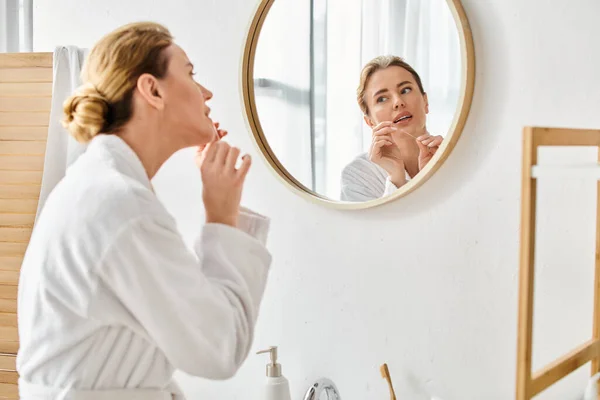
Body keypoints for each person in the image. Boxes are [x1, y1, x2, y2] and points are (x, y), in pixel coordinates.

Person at [16, 21, 272, 400]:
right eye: (190, 73)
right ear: (152, 89)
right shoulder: (121, 206)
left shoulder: (103, 189)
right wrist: (221, 215)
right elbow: (218, 349)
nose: (206, 92)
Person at [340, 55, 444, 202]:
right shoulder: (358, 174)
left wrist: (437, 178)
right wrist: (396, 180)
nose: (398, 102)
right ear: (370, 122)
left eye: (405, 90)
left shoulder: (456, 156)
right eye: (382, 99)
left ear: (425, 102)